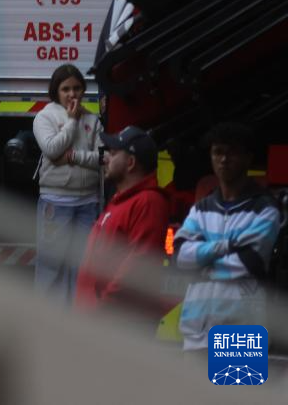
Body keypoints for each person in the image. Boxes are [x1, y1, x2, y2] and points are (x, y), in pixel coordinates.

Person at [174, 122, 281, 352]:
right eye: (218, 152)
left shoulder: (265, 208)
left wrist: (201, 263)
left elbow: (249, 262)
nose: (223, 159)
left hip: (241, 329)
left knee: (238, 379)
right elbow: (180, 256)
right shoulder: (201, 207)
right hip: (197, 330)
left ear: (248, 158)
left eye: (232, 152)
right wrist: (227, 246)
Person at [74, 126, 170, 319]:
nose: (106, 158)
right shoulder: (122, 200)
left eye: (113, 153)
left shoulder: (148, 202)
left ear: (131, 163)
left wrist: (101, 312)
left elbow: (137, 268)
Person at [32, 64, 103, 304]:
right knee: (51, 264)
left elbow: (103, 158)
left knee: (82, 265)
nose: (72, 94)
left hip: (88, 202)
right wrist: (72, 122)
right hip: (56, 201)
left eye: (77, 88)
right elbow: (52, 149)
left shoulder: (92, 119)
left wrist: (73, 157)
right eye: (66, 89)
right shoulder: (45, 117)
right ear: (56, 91)